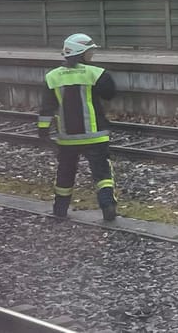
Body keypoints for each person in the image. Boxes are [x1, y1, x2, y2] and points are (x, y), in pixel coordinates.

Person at [38, 33, 121, 222]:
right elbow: (110, 93)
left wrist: (43, 132)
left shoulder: (52, 77)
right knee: (102, 173)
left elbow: (46, 109)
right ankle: (108, 206)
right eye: (90, 51)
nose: (92, 55)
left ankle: (60, 208)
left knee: (65, 172)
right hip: (95, 136)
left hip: (67, 139)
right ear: (81, 53)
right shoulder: (96, 73)